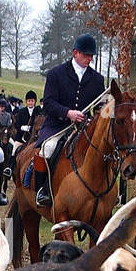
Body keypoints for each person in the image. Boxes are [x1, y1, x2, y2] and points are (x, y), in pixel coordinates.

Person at [32, 34, 105, 207]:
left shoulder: (97, 80)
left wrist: (104, 111)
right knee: (47, 149)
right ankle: (43, 190)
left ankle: (105, 191)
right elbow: (48, 103)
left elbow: (100, 107)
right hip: (58, 125)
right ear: (75, 53)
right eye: (86, 55)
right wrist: (68, 113)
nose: (89, 58)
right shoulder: (56, 74)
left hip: (84, 128)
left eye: (91, 56)